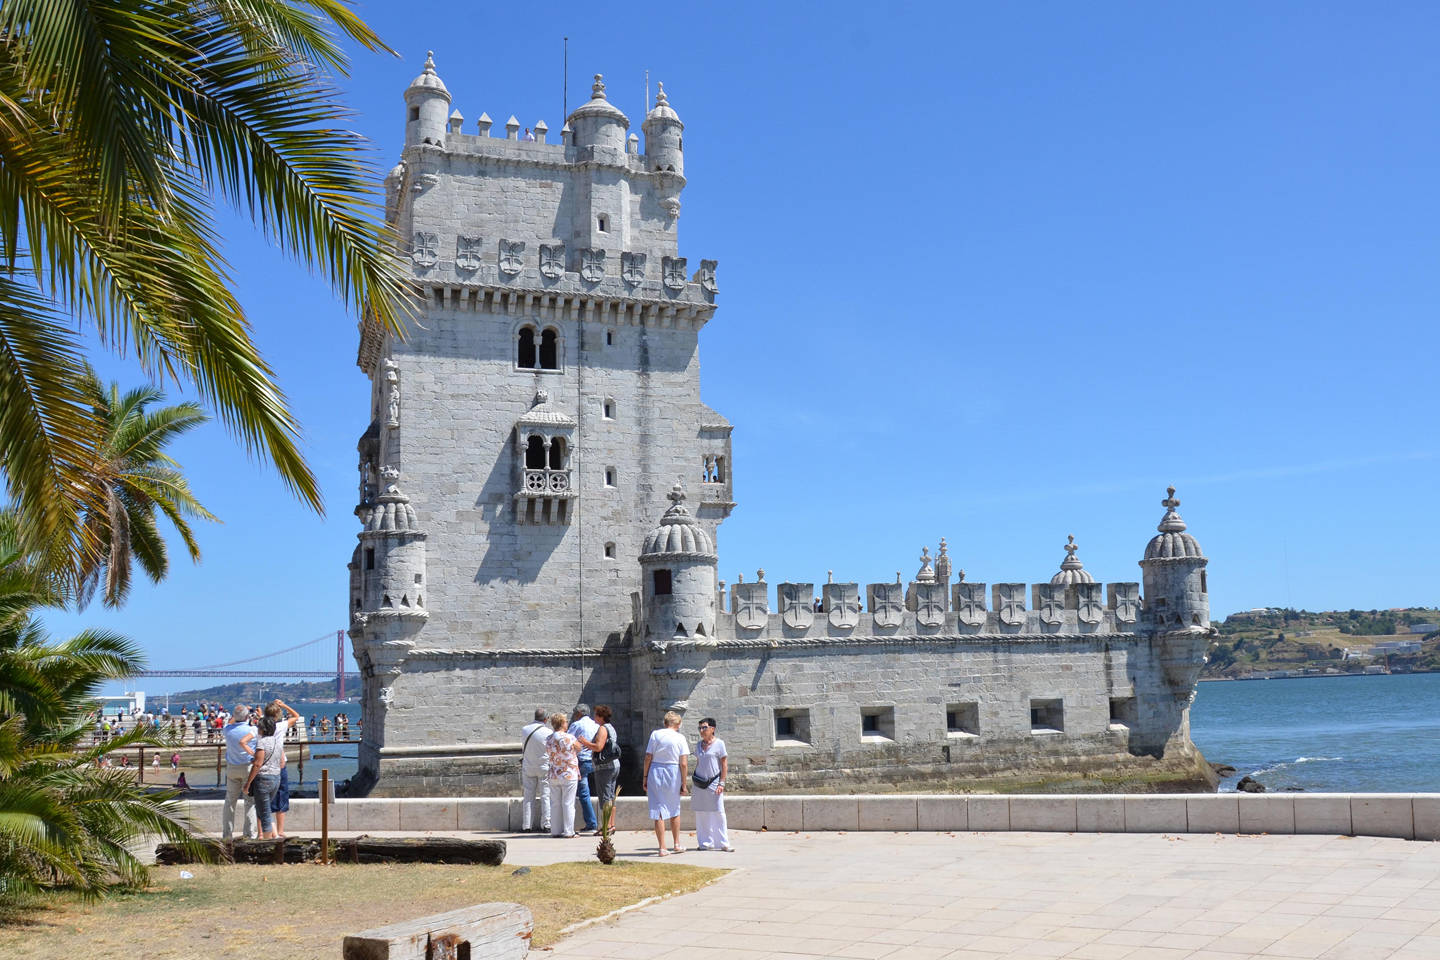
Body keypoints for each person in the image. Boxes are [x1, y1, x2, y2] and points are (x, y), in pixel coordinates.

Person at [643, 710, 690, 856]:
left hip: (656, 769)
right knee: (674, 808)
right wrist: (684, 783)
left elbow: (648, 757)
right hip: (673, 771)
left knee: (658, 809)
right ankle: (676, 843)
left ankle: (662, 847)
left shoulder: (655, 734)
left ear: (665, 723)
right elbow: (683, 763)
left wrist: (644, 776)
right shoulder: (680, 738)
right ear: (678, 724)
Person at [692, 717, 732, 851]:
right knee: (701, 813)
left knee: (718, 812)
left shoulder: (719, 744)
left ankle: (723, 843)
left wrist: (722, 782)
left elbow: (724, 764)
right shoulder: (698, 745)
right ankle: (705, 843)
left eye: (704, 728)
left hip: (714, 783)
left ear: (712, 729)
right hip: (699, 783)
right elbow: (699, 762)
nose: (701, 731)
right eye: (700, 728)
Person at [243, 713, 285, 839]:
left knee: (264, 813)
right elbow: (281, 762)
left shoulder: (262, 743)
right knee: (265, 810)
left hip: (263, 780)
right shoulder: (278, 742)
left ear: (263, 729)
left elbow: (257, 764)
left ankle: (267, 843)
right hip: (276, 778)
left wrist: (248, 783)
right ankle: (270, 837)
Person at [220, 704, 258, 842]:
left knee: (230, 802)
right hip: (248, 767)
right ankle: (249, 835)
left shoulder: (227, 729)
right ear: (247, 717)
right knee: (250, 802)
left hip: (232, 767)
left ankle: (227, 835)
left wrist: (236, 715)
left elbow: (230, 722)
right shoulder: (252, 729)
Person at [266, 699, 302, 837]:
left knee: (266, 798)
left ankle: (268, 831)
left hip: (265, 764)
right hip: (280, 764)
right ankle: (280, 831)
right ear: (277, 715)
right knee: (281, 796)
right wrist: (284, 705)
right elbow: (296, 716)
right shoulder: (281, 726)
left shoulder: (261, 726)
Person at [544, 712, 582, 838]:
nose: (567, 723)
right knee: (568, 803)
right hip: (568, 773)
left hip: (554, 774)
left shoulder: (549, 739)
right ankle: (568, 831)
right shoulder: (569, 737)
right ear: (562, 723)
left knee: (555, 803)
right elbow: (579, 748)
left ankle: (555, 830)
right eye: (566, 722)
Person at [568, 705, 601, 833]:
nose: (574, 716)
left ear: (579, 713)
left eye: (575, 713)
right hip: (594, 760)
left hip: (581, 761)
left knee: (583, 793)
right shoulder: (596, 725)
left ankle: (591, 823)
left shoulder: (576, 725)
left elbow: (568, 741)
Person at [519, 707, 551, 833]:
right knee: (546, 795)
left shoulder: (525, 729)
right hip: (544, 766)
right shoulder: (548, 732)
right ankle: (546, 824)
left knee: (528, 796)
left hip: (528, 766)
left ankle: (527, 825)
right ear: (545, 719)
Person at [590, 704, 620, 836]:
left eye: (596, 714)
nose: (594, 716)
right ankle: (611, 825)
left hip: (604, 767)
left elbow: (598, 747)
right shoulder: (611, 728)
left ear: (601, 716)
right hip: (614, 765)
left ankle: (606, 826)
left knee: (605, 797)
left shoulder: (602, 728)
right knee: (611, 796)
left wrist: (585, 742)